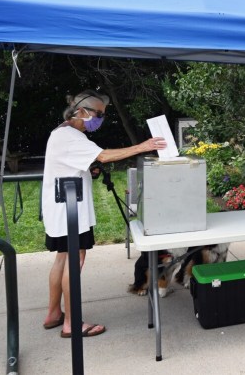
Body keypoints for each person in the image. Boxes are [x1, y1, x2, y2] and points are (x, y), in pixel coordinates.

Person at [41, 89, 167, 338]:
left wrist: (90, 170)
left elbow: (78, 163)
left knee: (62, 260)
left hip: (59, 210)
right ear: (82, 111)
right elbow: (104, 155)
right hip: (71, 211)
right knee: (74, 262)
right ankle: (72, 324)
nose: (100, 119)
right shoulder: (71, 137)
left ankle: (54, 313)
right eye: (98, 114)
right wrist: (143, 146)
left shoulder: (63, 132)